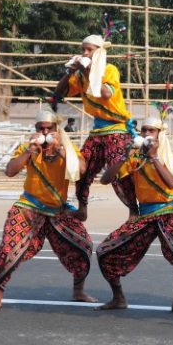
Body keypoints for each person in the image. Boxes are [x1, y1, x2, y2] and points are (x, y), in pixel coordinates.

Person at [0, 109, 93, 313]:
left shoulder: (67, 148)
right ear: (35, 129)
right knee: (8, 250)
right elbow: (10, 171)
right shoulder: (29, 148)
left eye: (48, 128)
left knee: (83, 246)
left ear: (56, 129)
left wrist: (59, 149)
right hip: (29, 207)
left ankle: (78, 291)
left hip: (58, 211)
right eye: (40, 128)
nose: (44, 132)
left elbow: (81, 169)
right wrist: (29, 151)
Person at [95, 116, 173, 316]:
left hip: (169, 212)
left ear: (160, 135)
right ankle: (118, 297)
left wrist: (153, 157)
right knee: (104, 252)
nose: (146, 134)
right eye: (144, 130)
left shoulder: (166, 156)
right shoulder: (133, 158)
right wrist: (123, 157)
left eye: (151, 131)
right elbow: (106, 180)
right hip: (145, 215)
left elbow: (170, 183)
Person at [54, 35, 136, 221]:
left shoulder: (109, 69)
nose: (85, 53)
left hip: (117, 129)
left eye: (89, 50)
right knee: (81, 169)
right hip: (98, 130)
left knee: (118, 173)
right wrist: (69, 72)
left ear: (99, 52)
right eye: (83, 49)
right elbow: (59, 93)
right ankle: (82, 210)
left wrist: (86, 68)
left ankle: (134, 210)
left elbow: (106, 93)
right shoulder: (80, 75)